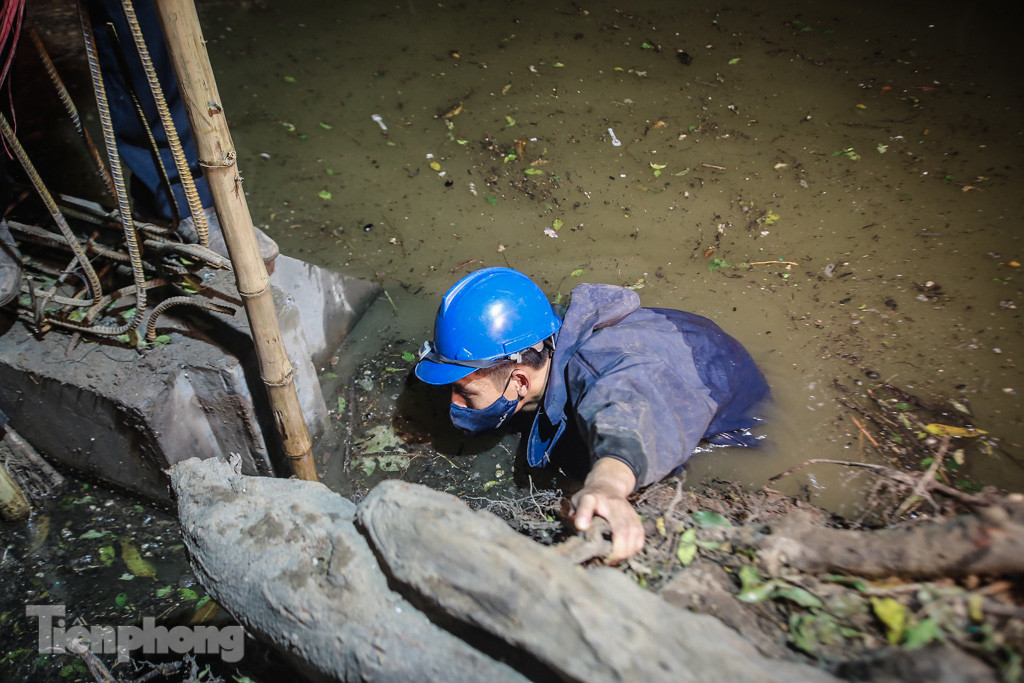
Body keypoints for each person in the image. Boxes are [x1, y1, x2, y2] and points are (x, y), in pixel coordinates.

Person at [415, 267, 770, 562]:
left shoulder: (603, 376)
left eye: (464, 392)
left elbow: (629, 408)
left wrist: (607, 486)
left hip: (727, 418)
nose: (454, 403)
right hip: (685, 353)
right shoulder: (539, 337)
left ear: (520, 380)